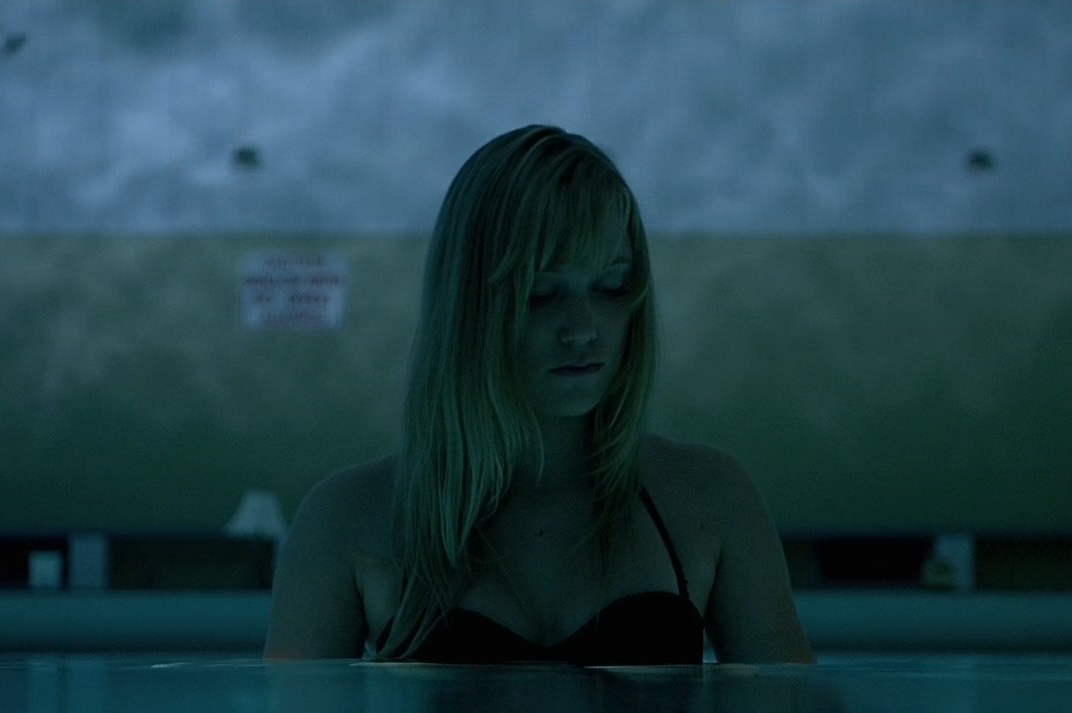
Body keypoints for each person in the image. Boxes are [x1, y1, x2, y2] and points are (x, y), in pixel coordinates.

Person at [262, 124, 814, 665]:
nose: (583, 329)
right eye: (540, 293)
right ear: (469, 307)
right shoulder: (347, 520)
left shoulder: (709, 499)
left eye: (611, 286)